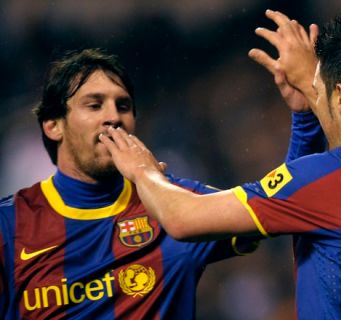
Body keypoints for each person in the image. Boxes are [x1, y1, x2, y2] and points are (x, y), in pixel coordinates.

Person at [101, 10, 341, 320]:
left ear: (340, 96)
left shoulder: (339, 179)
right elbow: (308, 205)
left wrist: (141, 169)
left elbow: (182, 219)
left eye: (324, 90)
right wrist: (310, 106)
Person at [0, 46, 320, 319]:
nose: (114, 116)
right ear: (53, 126)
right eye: (94, 105)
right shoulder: (9, 226)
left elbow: (278, 208)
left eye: (123, 106)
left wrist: (305, 117)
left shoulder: (174, 203)